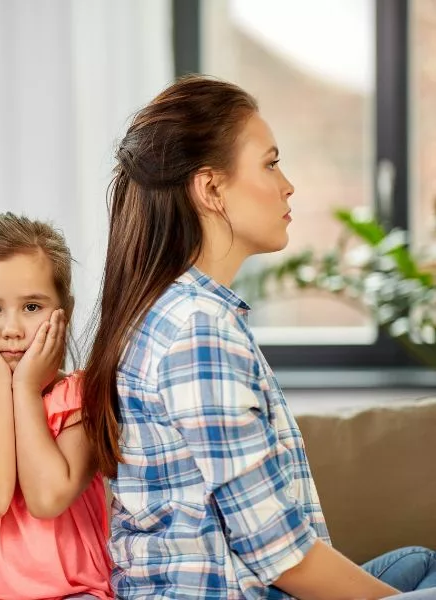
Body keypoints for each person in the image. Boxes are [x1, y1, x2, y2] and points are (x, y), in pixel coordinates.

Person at [80, 74, 436, 599]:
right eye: (270, 163)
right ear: (211, 189)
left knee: (420, 564)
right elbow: (282, 559)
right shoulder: (197, 331)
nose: (287, 184)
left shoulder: (180, 311)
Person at [0, 212, 113, 600]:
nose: (11, 329)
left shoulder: (83, 398)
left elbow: (48, 497)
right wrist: (0, 389)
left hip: (78, 593)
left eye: (32, 307)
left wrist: (27, 391)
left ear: (63, 310)